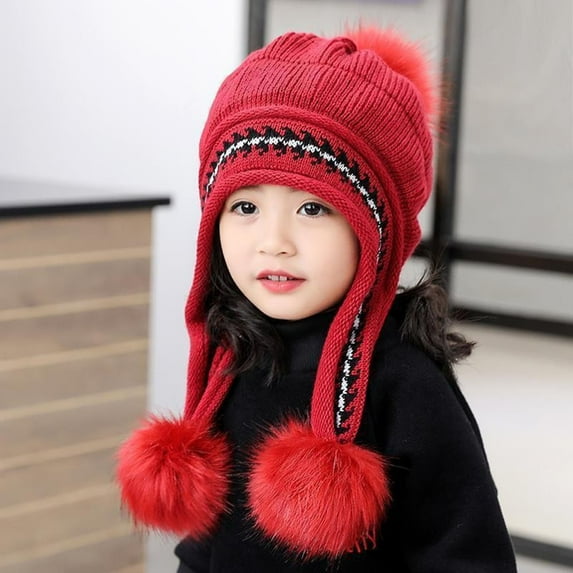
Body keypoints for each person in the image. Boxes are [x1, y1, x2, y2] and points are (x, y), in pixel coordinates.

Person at [116, 26, 517, 572]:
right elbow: (209, 543)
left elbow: (468, 556)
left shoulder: (406, 382)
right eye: (245, 207)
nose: (274, 241)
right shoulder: (236, 356)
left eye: (312, 208)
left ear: (375, 233)